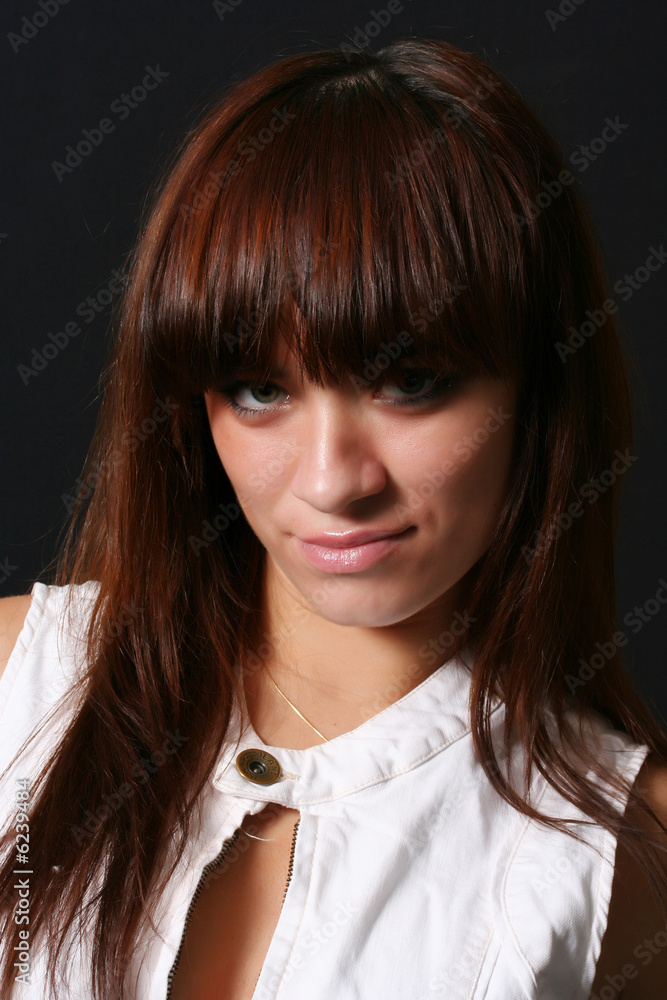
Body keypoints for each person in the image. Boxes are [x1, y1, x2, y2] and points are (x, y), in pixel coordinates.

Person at [0, 35, 666, 1000]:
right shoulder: (20, 683)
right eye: (259, 389)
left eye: (412, 380)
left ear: (540, 386)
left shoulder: (629, 843)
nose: (330, 481)